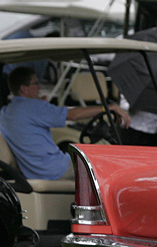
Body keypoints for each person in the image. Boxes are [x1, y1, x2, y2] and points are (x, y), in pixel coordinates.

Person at [0, 67, 130, 180]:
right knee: (109, 162)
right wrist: (108, 108)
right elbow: (73, 115)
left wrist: (41, 103)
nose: (39, 87)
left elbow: (29, 119)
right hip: (55, 169)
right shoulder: (34, 107)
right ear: (24, 89)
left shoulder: (6, 112)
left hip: (36, 171)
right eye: (36, 83)